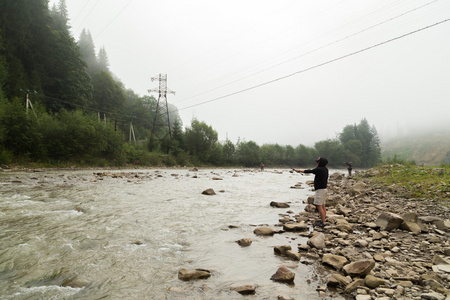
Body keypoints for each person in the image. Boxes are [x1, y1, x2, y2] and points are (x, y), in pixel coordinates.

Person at [294, 157, 329, 227]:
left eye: (318, 162)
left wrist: (299, 171)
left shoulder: (319, 169)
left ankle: (323, 222)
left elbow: (309, 171)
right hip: (324, 189)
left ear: (320, 163)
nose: (316, 163)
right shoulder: (325, 169)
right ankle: (323, 219)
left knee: (319, 206)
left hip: (320, 190)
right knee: (323, 205)